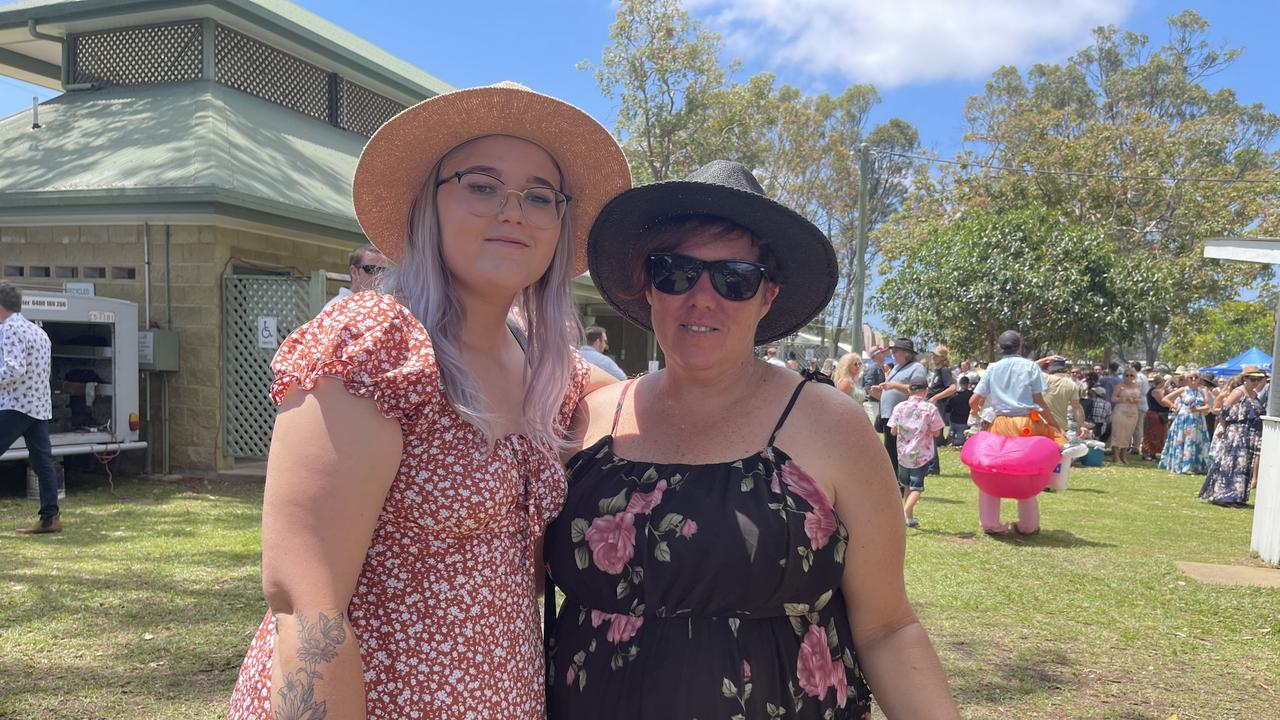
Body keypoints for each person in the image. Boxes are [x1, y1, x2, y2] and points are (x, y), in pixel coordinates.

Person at [226, 82, 631, 719]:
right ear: (427, 205)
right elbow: (307, 607)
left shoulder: (546, 369)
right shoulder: (377, 344)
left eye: (538, 195)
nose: (513, 210)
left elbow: (661, 408)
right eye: (481, 184)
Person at [546, 160, 959, 719]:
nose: (702, 298)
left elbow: (887, 626)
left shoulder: (830, 425)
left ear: (768, 296)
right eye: (675, 272)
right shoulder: (590, 420)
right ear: (648, 284)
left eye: (734, 279)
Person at [968, 331, 1065, 535]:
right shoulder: (1030, 366)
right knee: (1026, 470)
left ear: (1001, 348)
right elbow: (1039, 400)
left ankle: (989, 522)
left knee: (992, 471)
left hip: (999, 423)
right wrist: (1054, 425)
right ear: (1020, 346)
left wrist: (977, 412)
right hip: (1028, 422)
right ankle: (1029, 525)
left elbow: (973, 400)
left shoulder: (993, 369)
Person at [0, 283, 60, 534]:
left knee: (42, 461)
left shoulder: (9, 329)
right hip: (39, 406)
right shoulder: (37, 331)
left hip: (16, 404)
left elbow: (13, 369)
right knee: (42, 461)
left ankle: (50, 519)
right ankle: (50, 518)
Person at [1200, 366, 1267, 506]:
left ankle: (1237, 496)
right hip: (1236, 433)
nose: (1256, 382)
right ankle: (1224, 495)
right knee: (1231, 463)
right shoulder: (1238, 392)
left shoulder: (1254, 395)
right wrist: (1224, 428)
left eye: (1259, 379)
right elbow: (1224, 410)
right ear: (1245, 379)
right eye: (1253, 379)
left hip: (1250, 434)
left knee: (1244, 465)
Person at [889, 379, 945, 528]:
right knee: (917, 487)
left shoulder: (899, 407)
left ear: (909, 390)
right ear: (926, 391)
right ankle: (903, 514)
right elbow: (937, 432)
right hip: (920, 454)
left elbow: (893, 430)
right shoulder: (929, 408)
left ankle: (909, 517)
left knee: (906, 485)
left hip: (902, 454)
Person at [870, 338, 927, 475]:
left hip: (904, 418)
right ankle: (894, 479)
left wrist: (893, 386)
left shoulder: (916, 367)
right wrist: (880, 392)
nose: (893, 354)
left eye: (895, 351)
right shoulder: (896, 367)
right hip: (889, 415)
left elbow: (918, 390)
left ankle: (900, 482)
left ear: (906, 353)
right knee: (890, 450)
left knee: (898, 452)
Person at [1158, 371, 1213, 475]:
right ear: (1187, 379)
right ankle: (1181, 465)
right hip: (1184, 419)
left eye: (1196, 377)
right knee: (1183, 441)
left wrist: (1198, 409)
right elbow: (1165, 399)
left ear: (1199, 379)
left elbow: (1207, 407)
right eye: (1190, 378)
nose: (1193, 380)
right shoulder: (1183, 390)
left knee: (1197, 441)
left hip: (1198, 420)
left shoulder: (1202, 391)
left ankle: (1196, 466)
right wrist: (1175, 407)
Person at [323, 243, 390, 310]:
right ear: (354, 272)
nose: (380, 276)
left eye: (384, 271)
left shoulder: (384, 306)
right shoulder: (335, 308)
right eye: (372, 269)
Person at [924, 345, 956, 475]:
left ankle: (933, 466)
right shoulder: (936, 371)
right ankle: (931, 464)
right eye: (933, 355)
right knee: (928, 434)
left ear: (942, 358)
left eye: (936, 355)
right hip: (932, 404)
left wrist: (935, 397)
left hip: (938, 405)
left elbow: (952, 388)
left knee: (931, 434)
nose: (933, 357)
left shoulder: (944, 371)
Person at [1108, 368, 1143, 464]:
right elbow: (1113, 398)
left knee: (1128, 434)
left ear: (1135, 376)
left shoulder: (1138, 386)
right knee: (1117, 433)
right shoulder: (1119, 386)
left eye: (1131, 375)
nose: (1129, 377)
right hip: (1120, 411)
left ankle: (1123, 455)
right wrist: (1122, 399)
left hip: (1133, 412)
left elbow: (1140, 398)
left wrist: (1136, 400)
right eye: (1127, 375)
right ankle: (1116, 456)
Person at [1142, 373, 1170, 460]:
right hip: (1154, 415)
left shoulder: (1159, 391)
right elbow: (1163, 403)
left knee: (1159, 434)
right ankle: (1147, 452)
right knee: (1152, 434)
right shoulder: (1155, 391)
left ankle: (1153, 452)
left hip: (1160, 415)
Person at [947, 377, 975, 446]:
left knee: (952, 433)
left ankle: (951, 436)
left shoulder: (953, 395)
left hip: (953, 420)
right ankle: (953, 439)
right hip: (963, 422)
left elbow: (947, 409)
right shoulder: (971, 395)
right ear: (968, 384)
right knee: (960, 441)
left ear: (959, 383)